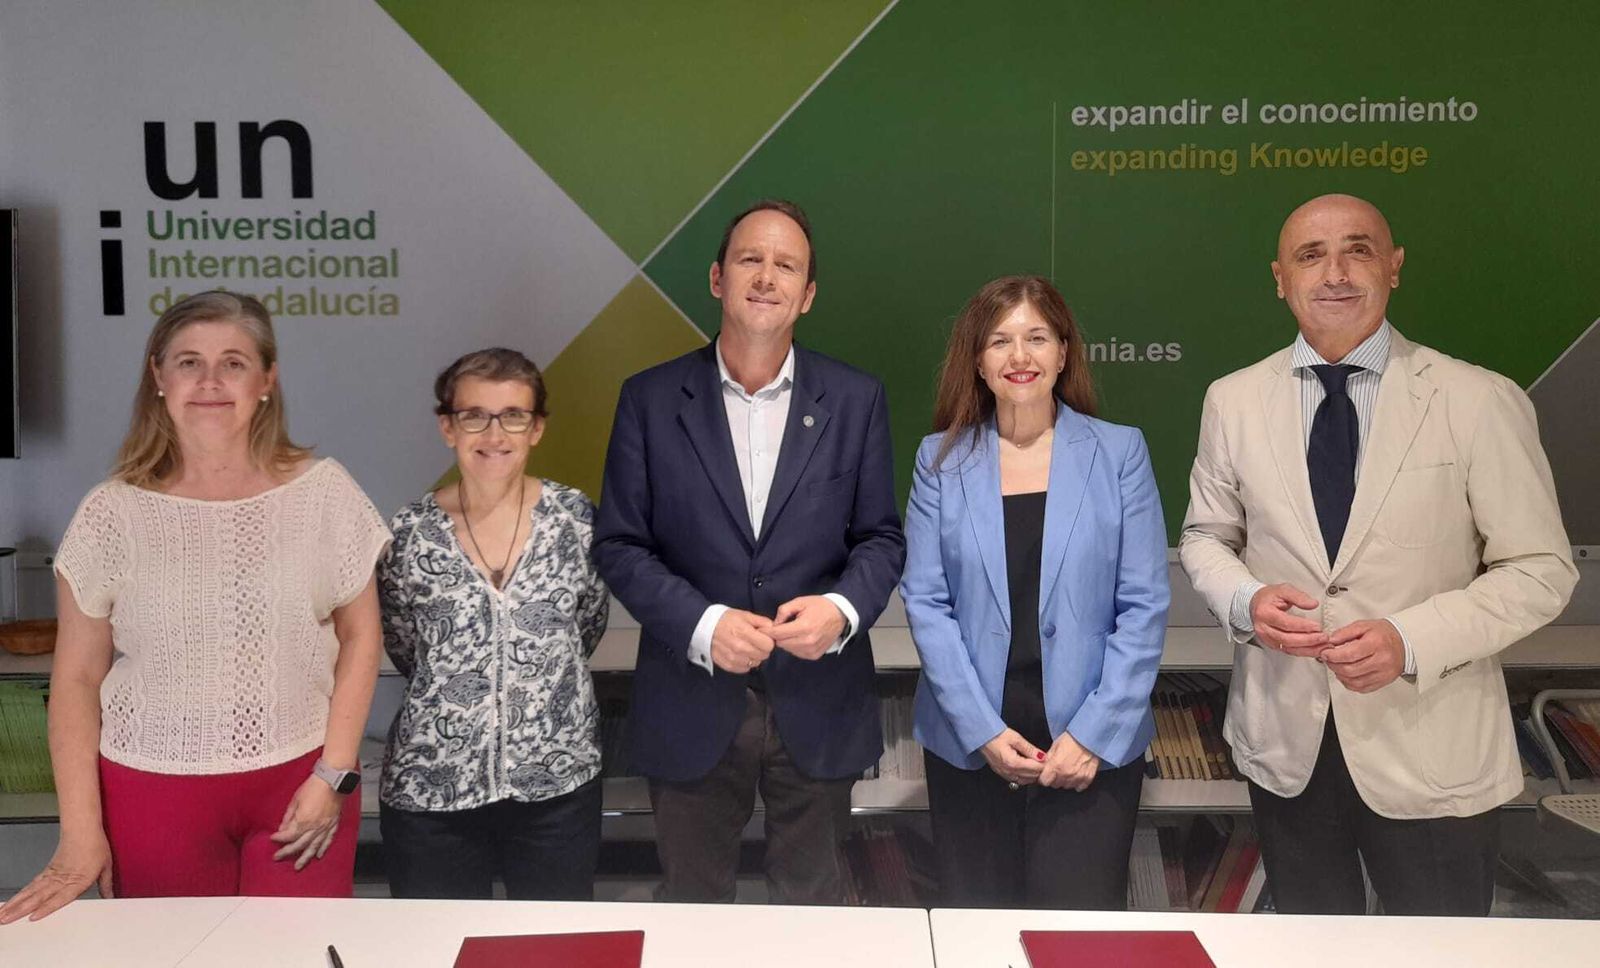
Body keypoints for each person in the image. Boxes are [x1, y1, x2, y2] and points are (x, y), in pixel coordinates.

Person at [1179, 194, 1577, 915]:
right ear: (1279, 277)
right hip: (1287, 744)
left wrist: (1409, 638)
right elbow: (1207, 537)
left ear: (1393, 268)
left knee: (1439, 956)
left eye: (1357, 250)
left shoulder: (1478, 399)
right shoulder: (1231, 401)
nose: (1334, 272)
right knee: (1309, 953)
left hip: (1429, 747)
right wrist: (1245, 599)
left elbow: (1541, 568)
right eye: (1311, 255)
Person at [0, 291, 389, 923]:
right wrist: (80, 832)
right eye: (188, 362)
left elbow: (361, 639)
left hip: (301, 785)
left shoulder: (325, 494)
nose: (210, 381)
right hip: (151, 791)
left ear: (267, 379)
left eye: (233, 362)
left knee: (291, 958)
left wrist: (334, 775)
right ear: (158, 376)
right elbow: (74, 678)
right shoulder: (110, 513)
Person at [593, 199, 905, 903]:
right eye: (750, 260)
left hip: (818, 699)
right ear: (716, 278)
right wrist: (704, 625)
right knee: (694, 911)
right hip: (690, 697)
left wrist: (840, 610)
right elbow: (620, 544)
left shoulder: (856, 399)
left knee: (811, 906)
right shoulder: (648, 400)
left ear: (809, 294)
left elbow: (881, 538)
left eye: (786, 265)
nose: (766, 277)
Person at [900, 275, 1169, 909]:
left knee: (1075, 941)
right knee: (979, 941)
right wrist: (982, 732)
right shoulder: (937, 460)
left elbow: (1144, 605)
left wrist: (1094, 735)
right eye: (1000, 341)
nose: (1020, 357)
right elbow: (926, 603)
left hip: (1088, 748)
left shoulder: (1120, 453)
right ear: (977, 361)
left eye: (1036, 338)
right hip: (972, 745)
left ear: (1064, 353)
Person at [377, 348, 608, 900]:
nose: (494, 432)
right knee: (437, 952)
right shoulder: (408, 533)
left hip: (557, 779)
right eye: (474, 415)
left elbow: (586, 627)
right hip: (433, 789)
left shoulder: (577, 521)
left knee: (555, 953)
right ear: (447, 427)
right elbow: (405, 646)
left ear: (537, 429)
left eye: (513, 416)